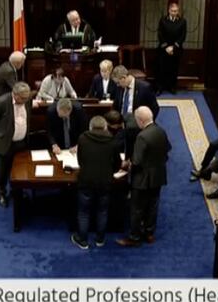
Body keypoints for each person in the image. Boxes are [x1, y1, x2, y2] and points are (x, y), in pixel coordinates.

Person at [117, 107, 171, 247]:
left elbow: (136, 161)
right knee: (153, 205)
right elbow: (167, 149)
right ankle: (149, 233)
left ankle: (134, 237)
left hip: (142, 179)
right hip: (158, 175)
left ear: (140, 120)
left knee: (136, 208)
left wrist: (126, 165)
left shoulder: (142, 136)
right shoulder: (161, 130)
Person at [71, 116, 122, 250]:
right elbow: (117, 164)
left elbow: (80, 160)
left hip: (86, 180)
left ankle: (82, 240)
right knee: (102, 211)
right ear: (105, 127)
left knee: (83, 212)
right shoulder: (112, 141)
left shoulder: (83, 138)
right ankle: (100, 239)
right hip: (105, 181)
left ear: (90, 127)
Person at [0, 82, 33, 208]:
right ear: (15, 94)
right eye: (23, 98)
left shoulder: (27, 100)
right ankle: (1, 192)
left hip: (22, 143)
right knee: (2, 171)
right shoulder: (2, 102)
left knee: (20, 170)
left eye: (27, 98)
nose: (25, 100)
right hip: (5, 143)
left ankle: (17, 191)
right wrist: (2, 131)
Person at [156, 2, 187, 94]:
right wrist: (166, 46)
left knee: (174, 69)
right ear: (169, 11)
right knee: (161, 69)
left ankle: (172, 87)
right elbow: (160, 34)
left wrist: (173, 47)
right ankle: (159, 88)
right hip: (164, 48)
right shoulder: (163, 20)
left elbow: (183, 35)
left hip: (176, 49)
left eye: (176, 11)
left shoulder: (182, 21)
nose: (174, 13)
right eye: (173, 11)